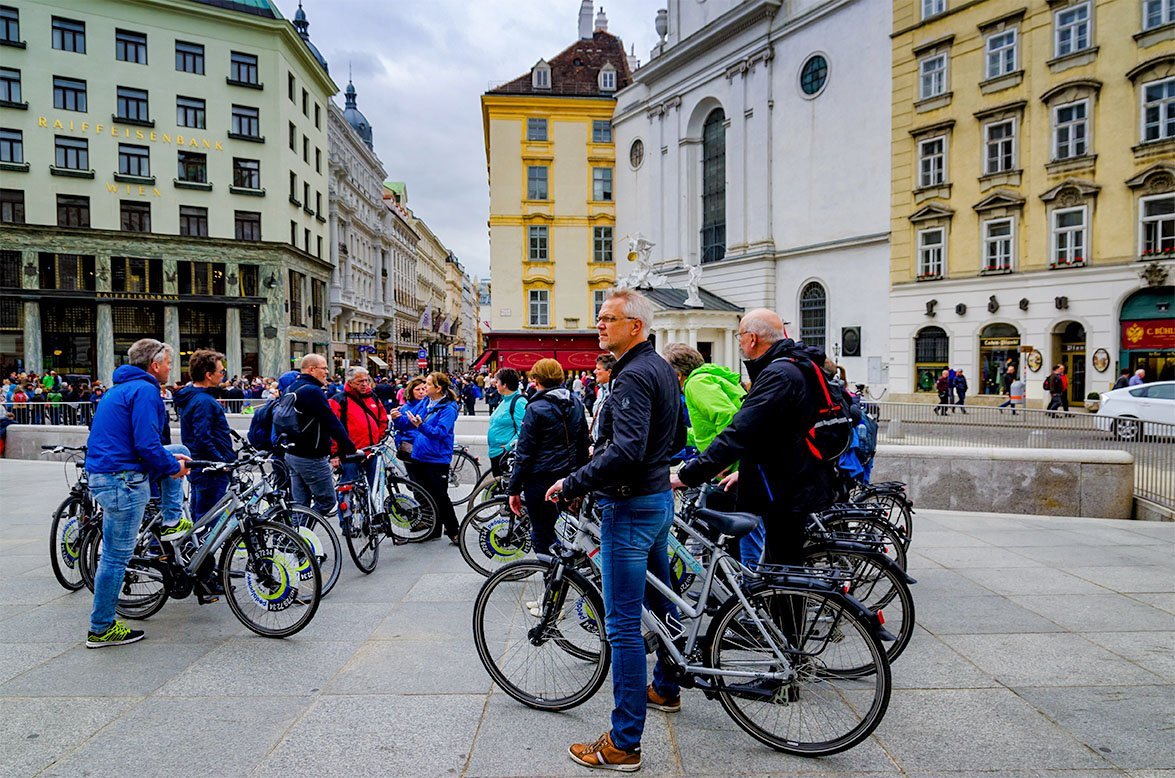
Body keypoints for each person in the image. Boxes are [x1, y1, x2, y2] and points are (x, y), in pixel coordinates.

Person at [544, 289, 685, 773]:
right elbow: (677, 436)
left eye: (609, 318)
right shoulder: (662, 369)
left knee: (623, 626)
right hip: (657, 500)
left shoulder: (631, 377)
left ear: (636, 326)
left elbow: (624, 451)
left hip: (629, 507)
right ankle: (667, 687)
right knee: (661, 602)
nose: (599, 324)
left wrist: (571, 481)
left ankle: (624, 743)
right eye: (600, 317)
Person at [84, 338, 191, 648]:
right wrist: (172, 469)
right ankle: (101, 627)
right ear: (154, 365)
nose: (171, 368)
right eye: (169, 363)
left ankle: (172, 518)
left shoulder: (119, 389)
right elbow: (146, 443)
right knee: (116, 559)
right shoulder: (145, 391)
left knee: (179, 450)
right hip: (123, 480)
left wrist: (171, 461)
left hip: (111, 473)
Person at [661, 342, 764, 565]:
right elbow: (705, 429)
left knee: (735, 536)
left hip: (733, 470)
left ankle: (741, 588)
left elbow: (728, 418)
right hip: (741, 465)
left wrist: (720, 459)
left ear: (676, 374)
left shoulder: (696, 384)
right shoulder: (708, 378)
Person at [506, 359, 588, 556]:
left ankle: (553, 583)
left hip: (541, 479)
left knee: (543, 535)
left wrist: (514, 489)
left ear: (537, 379)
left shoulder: (536, 407)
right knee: (568, 531)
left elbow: (524, 453)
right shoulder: (575, 402)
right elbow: (583, 441)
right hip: (569, 478)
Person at [282, 354, 357, 519]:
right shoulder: (312, 391)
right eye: (323, 368)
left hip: (293, 453)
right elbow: (331, 421)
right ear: (311, 369)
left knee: (300, 504)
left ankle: (294, 540)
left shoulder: (291, 388)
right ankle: (302, 536)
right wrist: (349, 447)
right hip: (311, 455)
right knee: (327, 501)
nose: (327, 372)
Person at [174, 349, 235, 520]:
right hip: (209, 468)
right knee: (209, 516)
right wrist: (220, 461)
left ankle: (197, 545)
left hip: (202, 466)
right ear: (209, 375)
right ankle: (202, 546)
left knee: (202, 513)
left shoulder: (194, 398)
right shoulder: (204, 401)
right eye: (221, 371)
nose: (223, 375)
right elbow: (203, 437)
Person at [404, 372, 460, 543]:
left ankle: (453, 530)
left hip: (436, 458)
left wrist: (420, 426)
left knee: (440, 496)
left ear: (438, 388)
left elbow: (441, 433)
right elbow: (410, 414)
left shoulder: (448, 408)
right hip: (420, 455)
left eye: (428, 384)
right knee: (425, 495)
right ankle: (433, 529)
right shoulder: (426, 402)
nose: (424, 388)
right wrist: (398, 417)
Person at [329, 366, 389, 489]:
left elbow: (383, 419)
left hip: (372, 451)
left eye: (366, 380)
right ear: (350, 383)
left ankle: (370, 508)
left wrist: (379, 437)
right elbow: (332, 429)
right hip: (350, 453)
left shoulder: (373, 397)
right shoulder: (339, 400)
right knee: (348, 488)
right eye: (360, 382)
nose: (364, 384)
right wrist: (334, 454)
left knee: (374, 488)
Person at [486, 368, 527, 477]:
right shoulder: (504, 400)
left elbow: (523, 429)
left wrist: (509, 446)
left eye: (497, 381)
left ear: (505, 385)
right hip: (496, 452)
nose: (495, 383)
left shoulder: (519, 402)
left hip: (505, 454)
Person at [391, 376, 428, 461]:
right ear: (411, 391)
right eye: (417, 390)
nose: (421, 392)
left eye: (423, 389)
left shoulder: (429, 404)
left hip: (423, 444)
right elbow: (401, 427)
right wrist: (395, 418)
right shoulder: (405, 407)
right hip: (410, 445)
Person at [588, 353, 615, 444]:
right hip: (597, 445)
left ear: (609, 372)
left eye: (598, 369)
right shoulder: (600, 391)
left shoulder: (616, 392)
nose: (595, 372)